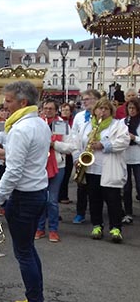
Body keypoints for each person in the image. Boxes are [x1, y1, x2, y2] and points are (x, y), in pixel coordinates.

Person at [0, 80, 50, 302]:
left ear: (23, 102)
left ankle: (34, 299)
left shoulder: (20, 129)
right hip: (39, 192)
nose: (5, 105)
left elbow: (13, 173)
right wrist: (6, 154)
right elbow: (31, 158)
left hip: (24, 197)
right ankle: (35, 297)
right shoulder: (40, 123)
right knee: (28, 250)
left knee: (23, 253)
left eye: (9, 101)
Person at [73, 98, 129, 242]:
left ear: (111, 111)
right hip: (91, 169)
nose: (102, 111)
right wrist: (77, 159)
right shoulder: (87, 126)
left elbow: (124, 141)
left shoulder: (118, 125)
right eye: (100, 108)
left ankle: (115, 228)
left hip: (109, 169)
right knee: (94, 200)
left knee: (113, 201)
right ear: (95, 110)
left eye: (106, 109)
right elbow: (77, 144)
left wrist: (104, 145)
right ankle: (97, 225)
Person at [35, 100, 75, 243]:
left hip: (58, 166)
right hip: (39, 165)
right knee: (40, 199)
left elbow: (71, 147)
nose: (48, 111)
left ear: (56, 110)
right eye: (45, 108)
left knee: (52, 200)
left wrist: (54, 144)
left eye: (51, 109)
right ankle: (39, 228)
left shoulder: (61, 124)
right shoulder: (38, 123)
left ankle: (53, 229)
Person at [71, 89, 101, 224]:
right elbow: (74, 137)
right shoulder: (79, 116)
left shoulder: (103, 116)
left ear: (96, 100)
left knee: (99, 188)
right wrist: (76, 157)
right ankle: (80, 213)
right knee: (81, 186)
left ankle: (100, 215)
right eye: (83, 99)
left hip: (99, 157)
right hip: (83, 155)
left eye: (87, 99)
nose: (84, 101)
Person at [122, 98, 140, 224]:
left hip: (138, 157)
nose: (131, 110)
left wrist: (135, 137)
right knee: (126, 187)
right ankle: (128, 213)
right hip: (125, 157)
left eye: (134, 108)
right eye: (130, 108)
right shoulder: (123, 122)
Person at [58, 103, 74, 204]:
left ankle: (64, 194)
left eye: (67, 110)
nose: (65, 112)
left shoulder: (73, 121)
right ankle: (62, 195)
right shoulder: (59, 122)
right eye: (63, 110)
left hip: (70, 152)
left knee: (67, 174)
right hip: (62, 153)